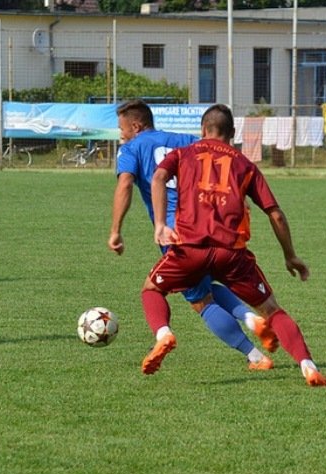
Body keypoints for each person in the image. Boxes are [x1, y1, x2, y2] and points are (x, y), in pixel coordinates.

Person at [140, 103, 326, 387]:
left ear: (203, 130)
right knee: (273, 310)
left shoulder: (182, 153)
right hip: (232, 255)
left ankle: (164, 333)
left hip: (189, 249)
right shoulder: (244, 164)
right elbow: (275, 214)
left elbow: (158, 178)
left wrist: (160, 225)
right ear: (232, 133)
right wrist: (290, 256)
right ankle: (309, 367)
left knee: (152, 289)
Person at [109, 99, 277, 371]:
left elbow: (125, 184)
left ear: (136, 126)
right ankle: (251, 318)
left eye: (122, 128)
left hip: (178, 233)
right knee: (208, 286)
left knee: (200, 300)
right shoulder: (186, 140)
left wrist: (116, 230)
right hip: (211, 225)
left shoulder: (131, 148)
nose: (121, 133)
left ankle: (252, 354)